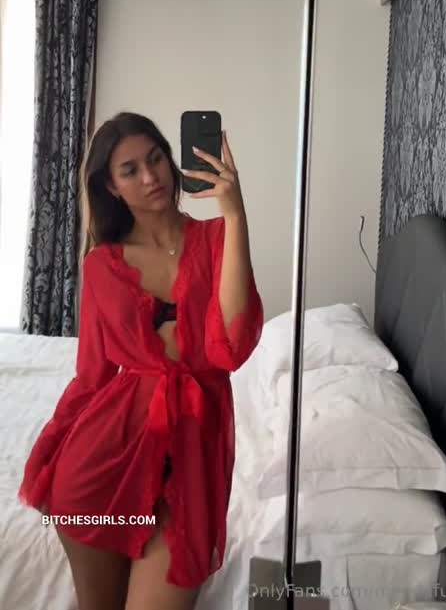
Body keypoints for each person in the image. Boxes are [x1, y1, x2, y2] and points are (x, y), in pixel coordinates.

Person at [17, 111, 264, 610]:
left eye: (155, 159)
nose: (151, 176)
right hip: (103, 468)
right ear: (111, 187)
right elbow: (91, 376)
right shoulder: (102, 265)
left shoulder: (218, 239)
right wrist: (47, 457)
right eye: (130, 170)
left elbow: (231, 348)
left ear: (171, 161)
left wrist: (236, 215)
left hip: (190, 457)